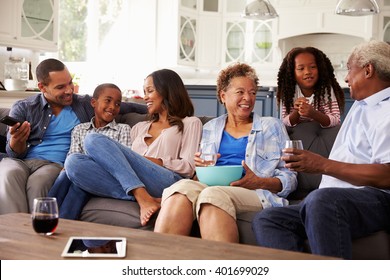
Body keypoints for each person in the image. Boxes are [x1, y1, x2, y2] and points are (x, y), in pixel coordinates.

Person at [252, 40, 390, 259]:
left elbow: (387, 175)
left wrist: (321, 164)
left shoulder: (387, 111)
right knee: (268, 219)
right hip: (337, 199)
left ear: (368, 70)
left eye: (349, 69)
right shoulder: (361, 106)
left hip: (376, 199)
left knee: (321, 200)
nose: (345, 78)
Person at [154, 63, 297, 243]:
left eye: (252, 93)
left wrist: (259, 181)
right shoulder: (210, 128)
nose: (248, 98)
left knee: (212, 195)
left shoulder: (272, 126)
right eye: (240, 92)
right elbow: (200, 176)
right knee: (180, 190)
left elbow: (290, 177)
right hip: (212, 186)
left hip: (255, 191)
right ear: (223, 95)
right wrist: (200, 170)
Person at [0, 58, 147, 215]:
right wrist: (17, 140)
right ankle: (17, 232)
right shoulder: (23, 107)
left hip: (53, 164)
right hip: (22, 161)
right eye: (61, 87)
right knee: (8, 174)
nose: (69, 90)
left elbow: (122, 105)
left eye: (70, 83)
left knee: (38, 183)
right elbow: (15, 153)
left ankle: (37, 232)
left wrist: (159, 107)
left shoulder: (83, 103)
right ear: (42, 87)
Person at [61, 69, 202, 226]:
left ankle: (142, 196)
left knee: (93, 139)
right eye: (144, 92)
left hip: (168, 180)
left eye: (150, 91)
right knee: (74, 162)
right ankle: (143, 197)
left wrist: (151, 161)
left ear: (167, 91)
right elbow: (123, 166)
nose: (145, 97)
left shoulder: (191, 123)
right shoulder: (139, 127)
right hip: (137, 180)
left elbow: (189, 167)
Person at [48, 83, 132, 214]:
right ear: (93, 102)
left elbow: (124, 164)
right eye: (108, 101)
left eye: (117, 104)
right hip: (78, 172)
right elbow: (73, 158)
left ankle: (56, 223)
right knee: (66, 174)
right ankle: (46, 216)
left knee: (79, 182)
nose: (112, 107)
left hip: (105, 176)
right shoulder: (80, 129)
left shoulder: (123, 129)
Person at [277, 47, 345, 128]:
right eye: (301, 68)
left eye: (312, 67)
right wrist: (297, 111)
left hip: (322, 136)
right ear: (292, 73)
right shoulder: (289, 91)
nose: (307, 72)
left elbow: (336, 120)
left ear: (320, 69)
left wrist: (314, 114)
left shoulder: (326, 90)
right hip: (297, 136)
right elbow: (284, 122)